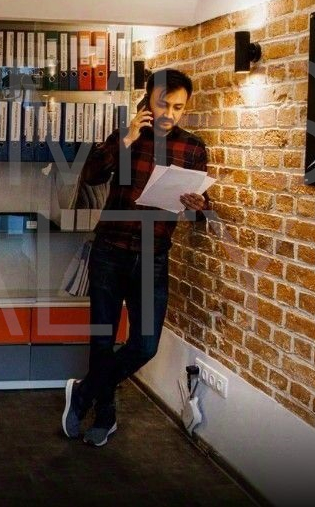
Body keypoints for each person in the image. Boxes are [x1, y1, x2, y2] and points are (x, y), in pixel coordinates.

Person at [62, 68, 210, 446]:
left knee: (145, 345)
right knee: (102, 341)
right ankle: (105, 414)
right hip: (110, 252)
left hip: (153, 257)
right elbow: (91, 175)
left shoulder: (193, 148)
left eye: (179, 107)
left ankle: (84, 392)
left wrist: (199, 205)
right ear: (147, 100)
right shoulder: (125, 137)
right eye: (163, 104)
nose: (170, 114)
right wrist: (127, 139)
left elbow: (197, 212)